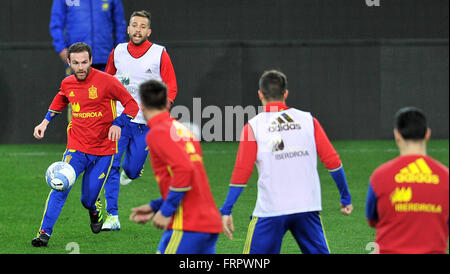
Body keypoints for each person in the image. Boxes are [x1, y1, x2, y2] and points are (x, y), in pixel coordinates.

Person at [220, 70, 353, 254]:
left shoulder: (253, 126)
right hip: (307, 207)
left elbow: (242, 171)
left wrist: (227, 208)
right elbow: (333, 162)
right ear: (285, 94)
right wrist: (345, 196)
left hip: (271, 210)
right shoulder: (308, 120)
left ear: (260, 94)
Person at [31, 42, 139, 247]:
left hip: (104, 151)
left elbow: (132, 105)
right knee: (59, 187)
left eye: (84, 62)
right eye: (75, 63)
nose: (80, 67)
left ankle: (94, 206)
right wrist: (45, 122)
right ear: (69, 62)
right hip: (77, 148)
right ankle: (44, 233)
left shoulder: (108, 82)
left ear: (90, 61)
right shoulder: (67, 83)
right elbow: (61, 98)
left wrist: (119, 123)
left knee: (87, 200)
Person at [101, 10, 178, 231]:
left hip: (146, 123)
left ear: (149, 31)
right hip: (120, 120)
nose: (138, 30)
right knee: (111, 166)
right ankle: (112, 216)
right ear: (128, 28)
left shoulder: (159, 53)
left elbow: (171, 86)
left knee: (132, 170)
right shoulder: (117, 52)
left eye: (142, 26)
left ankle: (132, 171)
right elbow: (107, 80)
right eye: (134, 25)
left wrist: (162, 109)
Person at [129, 80, 222, 254]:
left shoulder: (156, 133)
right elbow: (189, 178)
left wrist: (165, 211)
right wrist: (155, 206)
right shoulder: (183, 130)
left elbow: (184, 170)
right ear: (167, 103)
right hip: (208, 223)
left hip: (187, 224)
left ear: (141, 106)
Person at [365, 107, 449, 254]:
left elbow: (372, 219)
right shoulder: (445, 177)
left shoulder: (380, 176)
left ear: (397, 135)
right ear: (427, 134)